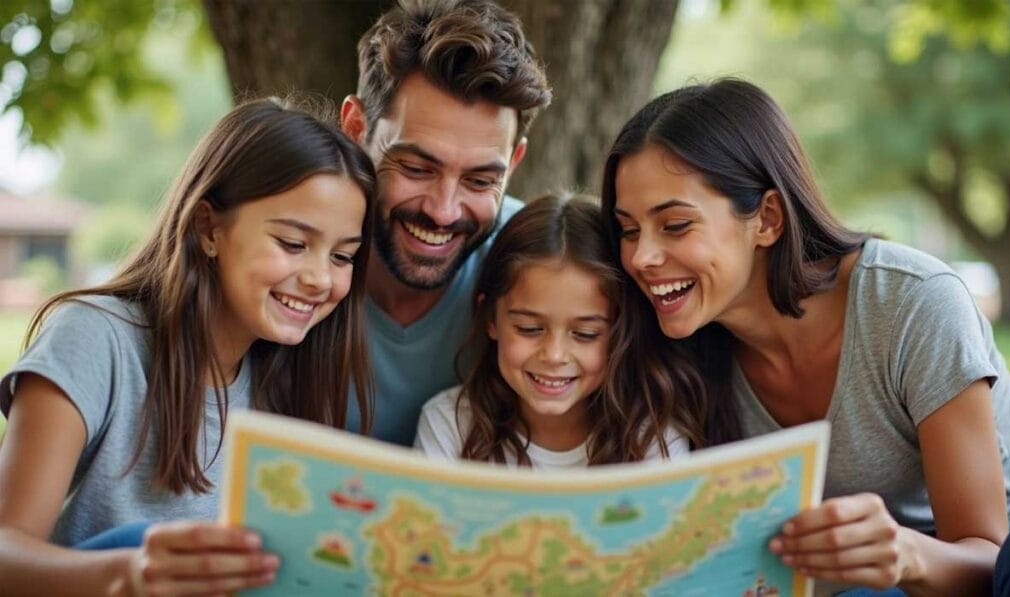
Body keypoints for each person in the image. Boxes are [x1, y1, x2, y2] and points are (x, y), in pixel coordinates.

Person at [600, 78, 1010, 595]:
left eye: (675, 225)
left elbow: (991, 558)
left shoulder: (913, 304)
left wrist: (903, 552)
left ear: (767, 219)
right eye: (627, 229)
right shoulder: (673, 347)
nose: (641, 257)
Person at [0, 97, 376, 595]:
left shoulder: (290, 376)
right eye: (292, 244)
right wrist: (132, 574)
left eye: (343, 256)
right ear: (208, 228)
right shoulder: (95, 337)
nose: (319, 278)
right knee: (139, 540)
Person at [339, 0, 552, 446]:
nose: (443, 211)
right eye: (417, 168)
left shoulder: (542, 269)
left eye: (479, 180)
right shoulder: (286, 247)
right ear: (356, 128)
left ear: (514, 164)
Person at [415, 195, 689, 467]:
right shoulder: (449, 426)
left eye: (586, 334)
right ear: (491, 319)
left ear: (621, 330)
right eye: (529, 329)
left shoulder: (653, 437)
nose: (554, 355)